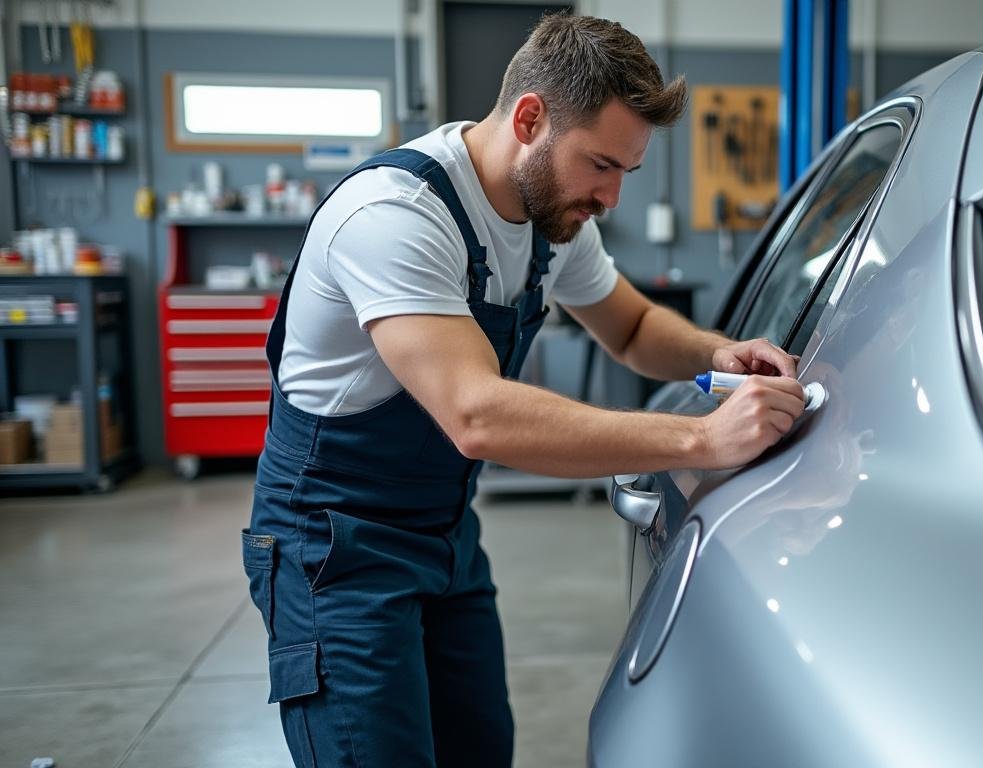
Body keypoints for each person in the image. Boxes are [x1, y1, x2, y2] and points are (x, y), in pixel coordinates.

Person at [242, 13, 804, 767]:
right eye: (601, 165)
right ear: (531, 118)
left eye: (625, 174)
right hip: (334, 549)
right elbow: (475, 415)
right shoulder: (396, 216)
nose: (611, 198)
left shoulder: (552, 220)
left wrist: (722, 356)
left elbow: (632, 328)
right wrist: (700, 440)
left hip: (443, 536)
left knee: (481, 750)